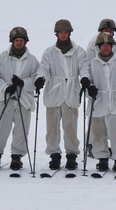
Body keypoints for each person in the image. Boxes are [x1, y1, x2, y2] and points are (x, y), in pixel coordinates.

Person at [34, 19, 91, 172]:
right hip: (54, 92)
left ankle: (71, 154)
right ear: (57, 33)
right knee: (52, 127)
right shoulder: (49, 52)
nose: (63, 35)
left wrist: (85, 78)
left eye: (66, 32)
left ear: (69, 33)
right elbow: (44, 68)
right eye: (61, 32)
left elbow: (84, 67)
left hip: (71, 92)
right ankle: (54, 154)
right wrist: (40, 78)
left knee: (70, 126)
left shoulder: (79, 51)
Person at [0, 27, 41, 172]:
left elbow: (37, 77)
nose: (18, 43)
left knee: (22, 129)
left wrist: (24, 83)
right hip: (6, 98)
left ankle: (17, 156)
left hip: (24, 99)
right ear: (12, 41)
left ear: (25, 41)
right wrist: (5, 88)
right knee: (0, 126)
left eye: (21, 40)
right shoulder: (2, 58)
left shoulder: (33, 60)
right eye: (16, 40)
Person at [87, 32, 116, 173]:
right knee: (98, 132)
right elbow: (85, 79)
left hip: (115, 102)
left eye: (108, 45)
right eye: (103, 45)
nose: (106, 48)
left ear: (112, 47)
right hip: (98, 103)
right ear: (99, 47)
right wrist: (89, 87)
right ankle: (102, 158)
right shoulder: (92, 64)